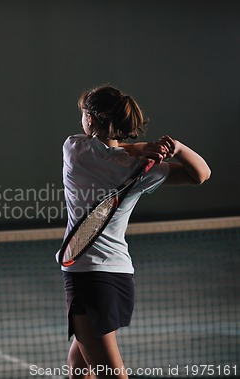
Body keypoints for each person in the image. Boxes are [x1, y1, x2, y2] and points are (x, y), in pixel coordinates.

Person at [60, 85, 210, 379]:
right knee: (79, 367)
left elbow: (105, 149)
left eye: (83, 114)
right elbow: (201, 174)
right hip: (119, 277)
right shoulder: (138, 169)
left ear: (90, 118)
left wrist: (140, 149)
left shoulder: (73, 150)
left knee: (109, 374)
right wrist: (174, 147)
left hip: (88, 278)